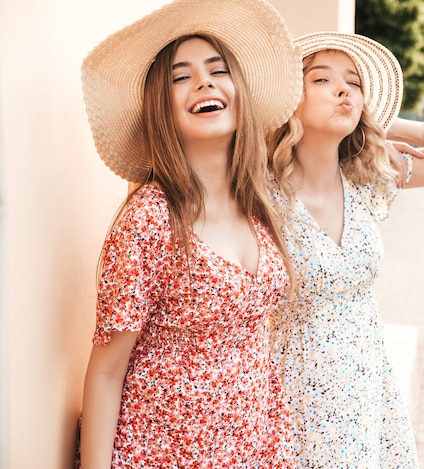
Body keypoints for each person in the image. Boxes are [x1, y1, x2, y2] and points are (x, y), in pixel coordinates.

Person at [77, 0, 303, 467]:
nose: (203, 82)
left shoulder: (258, 203)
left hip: (254, 446)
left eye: (217, 70)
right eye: (181, 76)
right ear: (163, 110)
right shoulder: (150, 220)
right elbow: (106, 371)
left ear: (238, 89)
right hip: (166, 452)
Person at [267, 32, 424, 468]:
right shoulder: (258, 193)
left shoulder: (368, 177)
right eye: (321, 80)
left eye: (354, 84)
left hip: (364, 392)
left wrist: (382, 121)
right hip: (287, 395)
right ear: (287, 99)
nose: (343, 91)